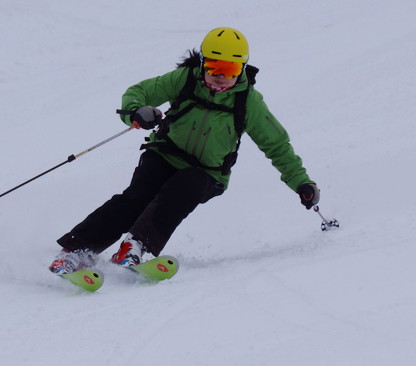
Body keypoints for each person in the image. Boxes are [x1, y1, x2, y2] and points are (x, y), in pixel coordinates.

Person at [49, 27, 320, 275]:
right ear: (203, 63)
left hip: (207, 173)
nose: (221, 76)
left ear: (242, 68)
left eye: (231, 69)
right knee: (136, 199)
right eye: (215, 67)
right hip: (165, 154)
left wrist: (301, 182)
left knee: (182, 189)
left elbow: (276, 145)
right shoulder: (185, 80)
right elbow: (138, 92)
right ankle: (76, 251)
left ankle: (134, 248)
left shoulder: (248, 101)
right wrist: (137, 111)